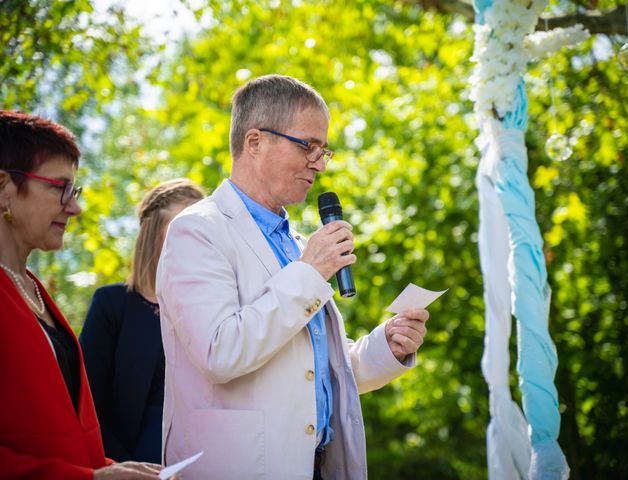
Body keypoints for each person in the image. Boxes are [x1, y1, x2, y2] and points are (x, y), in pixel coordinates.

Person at [156, 74, 430, 479]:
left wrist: (385, 347)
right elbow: (220, 352)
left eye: (324, 150)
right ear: (254, 142)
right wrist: (309, 271)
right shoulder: (197, 230)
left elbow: (316, 372)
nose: (319, 163)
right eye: (308, 146)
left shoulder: (298, 244)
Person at [0, 110, 163, 479]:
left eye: (74, 191)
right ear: (4, 186)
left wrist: (112, 469)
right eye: (59, 188)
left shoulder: (34, 291)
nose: (74, 207)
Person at [80, 179, 205, 463]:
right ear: (154, 234)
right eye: (185, 225)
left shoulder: (213, 307)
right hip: (127, 464)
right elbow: (87, 404)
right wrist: (124, 468)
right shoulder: (112, 305)